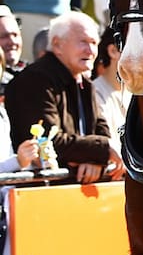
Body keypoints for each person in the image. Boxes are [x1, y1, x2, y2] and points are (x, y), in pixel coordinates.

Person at [4, 10, 124, 183]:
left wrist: (95, 160)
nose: (90, 50)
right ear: (57, 44)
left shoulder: (85, 82)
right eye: (83, 42)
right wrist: (101, 150)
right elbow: (48, 142)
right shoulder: (34, 80)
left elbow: (101, 130)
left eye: (94, 42)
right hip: (42, 195)